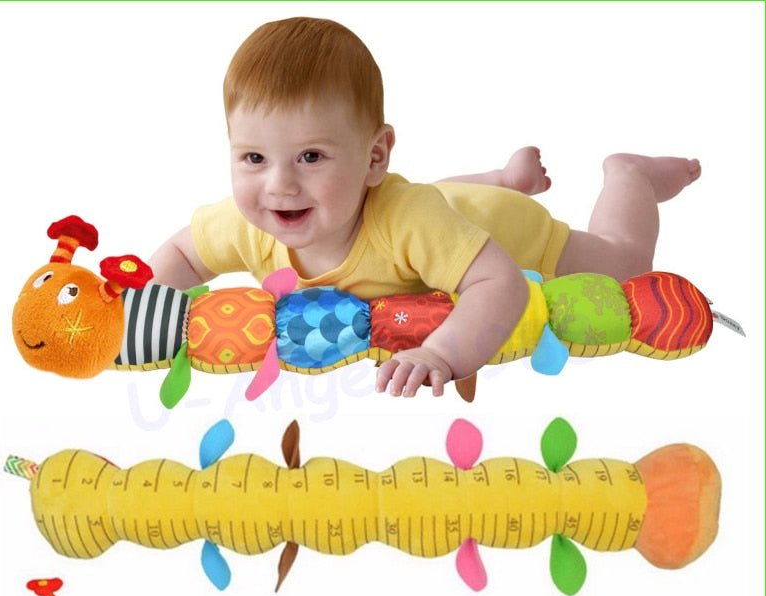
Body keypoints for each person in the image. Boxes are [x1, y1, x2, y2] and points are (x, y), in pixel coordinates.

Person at [149, 17, 700, 398]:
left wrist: (443, 354)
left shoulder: (411, 220)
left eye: (310, 156)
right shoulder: (248, 223)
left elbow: (501, 285)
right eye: (253, 157)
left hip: (502, 233)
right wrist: (143, 311)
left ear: (375, 156)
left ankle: (631, 176)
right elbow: (182, 254)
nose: (279, 185)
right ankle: (505, 177)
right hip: (434, 214)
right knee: (414, 210)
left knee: (625, 263)